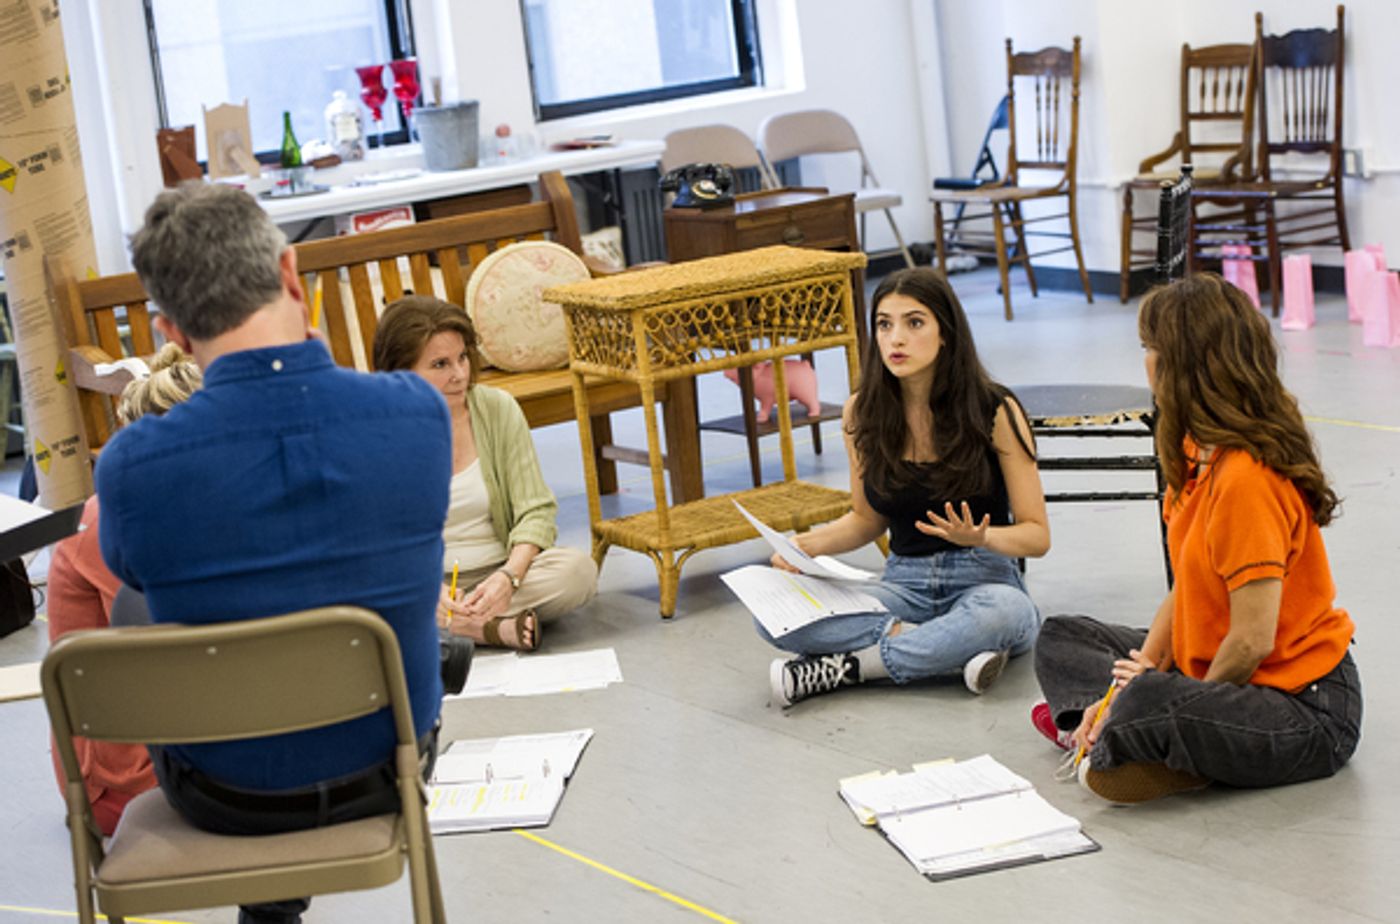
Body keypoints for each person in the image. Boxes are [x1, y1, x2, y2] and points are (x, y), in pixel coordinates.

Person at [98, 182, 451, 924]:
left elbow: (138, 576)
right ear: (292, 274)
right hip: (388, 765)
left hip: (224, 792)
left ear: (171, 328)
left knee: (140, 597)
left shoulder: (132, 465)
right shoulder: (416, 412)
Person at [1032, 273, 1362, 804]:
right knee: (1063, 638)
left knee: (1150, 701)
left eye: (1150, 348)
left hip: (1303, 706)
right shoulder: (1193, 449)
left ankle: (1120, 731)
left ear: (1184, 364)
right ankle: (1120, 733)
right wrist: (1135, 675)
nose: (1145, 361)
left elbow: (1252, 642)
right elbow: (1185, 587)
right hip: (1213, 671)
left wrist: (1147, 694)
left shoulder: (1246, 479)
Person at [759, 267, 1049, 706]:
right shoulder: (862, 412)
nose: (896, 338)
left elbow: (1037, 535)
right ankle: (945, 651)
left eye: (914, 323)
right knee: (773, 617)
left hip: (985, 581)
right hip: (903, 585)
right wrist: (806, 546)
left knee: (1006, 614)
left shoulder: (995, 408)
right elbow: (865, 520)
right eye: (884, 324)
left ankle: (853, 669)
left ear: (945, 332)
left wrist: (983, 536)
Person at [372, 295, 597, 650]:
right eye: (440, 364)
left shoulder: (496, 409)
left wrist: (509, 577)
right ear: (402, 372)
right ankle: (486, 630)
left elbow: (535, 511)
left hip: (497, 573)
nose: (459, 374)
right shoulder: (375, 432)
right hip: (421, 583)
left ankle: (451, 627)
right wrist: (428, 587)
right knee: (358, 590)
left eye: (462, 357)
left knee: (578, 572)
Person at [45, 344, 201, 835]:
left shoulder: (174, 508)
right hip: (121, 774)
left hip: (176, 732)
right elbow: (175, 655)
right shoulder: (111, 524)